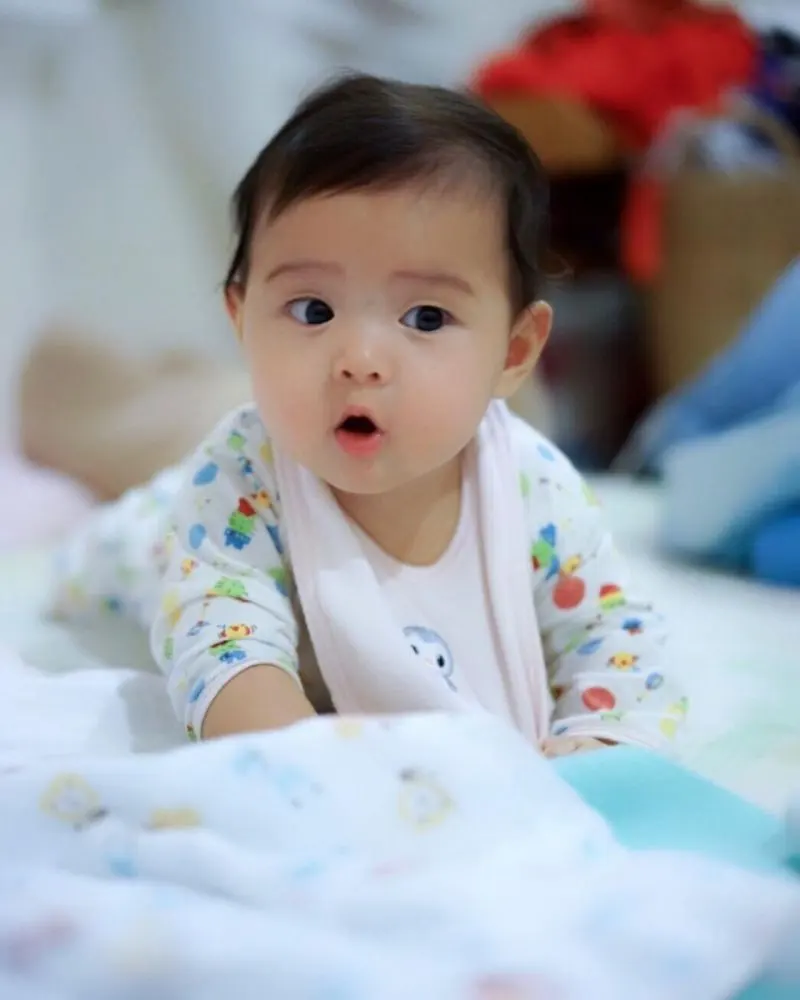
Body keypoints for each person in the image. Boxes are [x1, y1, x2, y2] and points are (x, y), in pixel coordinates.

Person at [52, 74, 686, 755]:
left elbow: (614, 638)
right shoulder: (241, 476)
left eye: (426, 317)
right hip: (168, 538)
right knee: (118, 544)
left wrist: (595, 745)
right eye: (313, 310)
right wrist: (314, 762)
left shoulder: (534, 490)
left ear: (515, 350)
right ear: (242, 319)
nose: (359, 359)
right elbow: (221, 640)